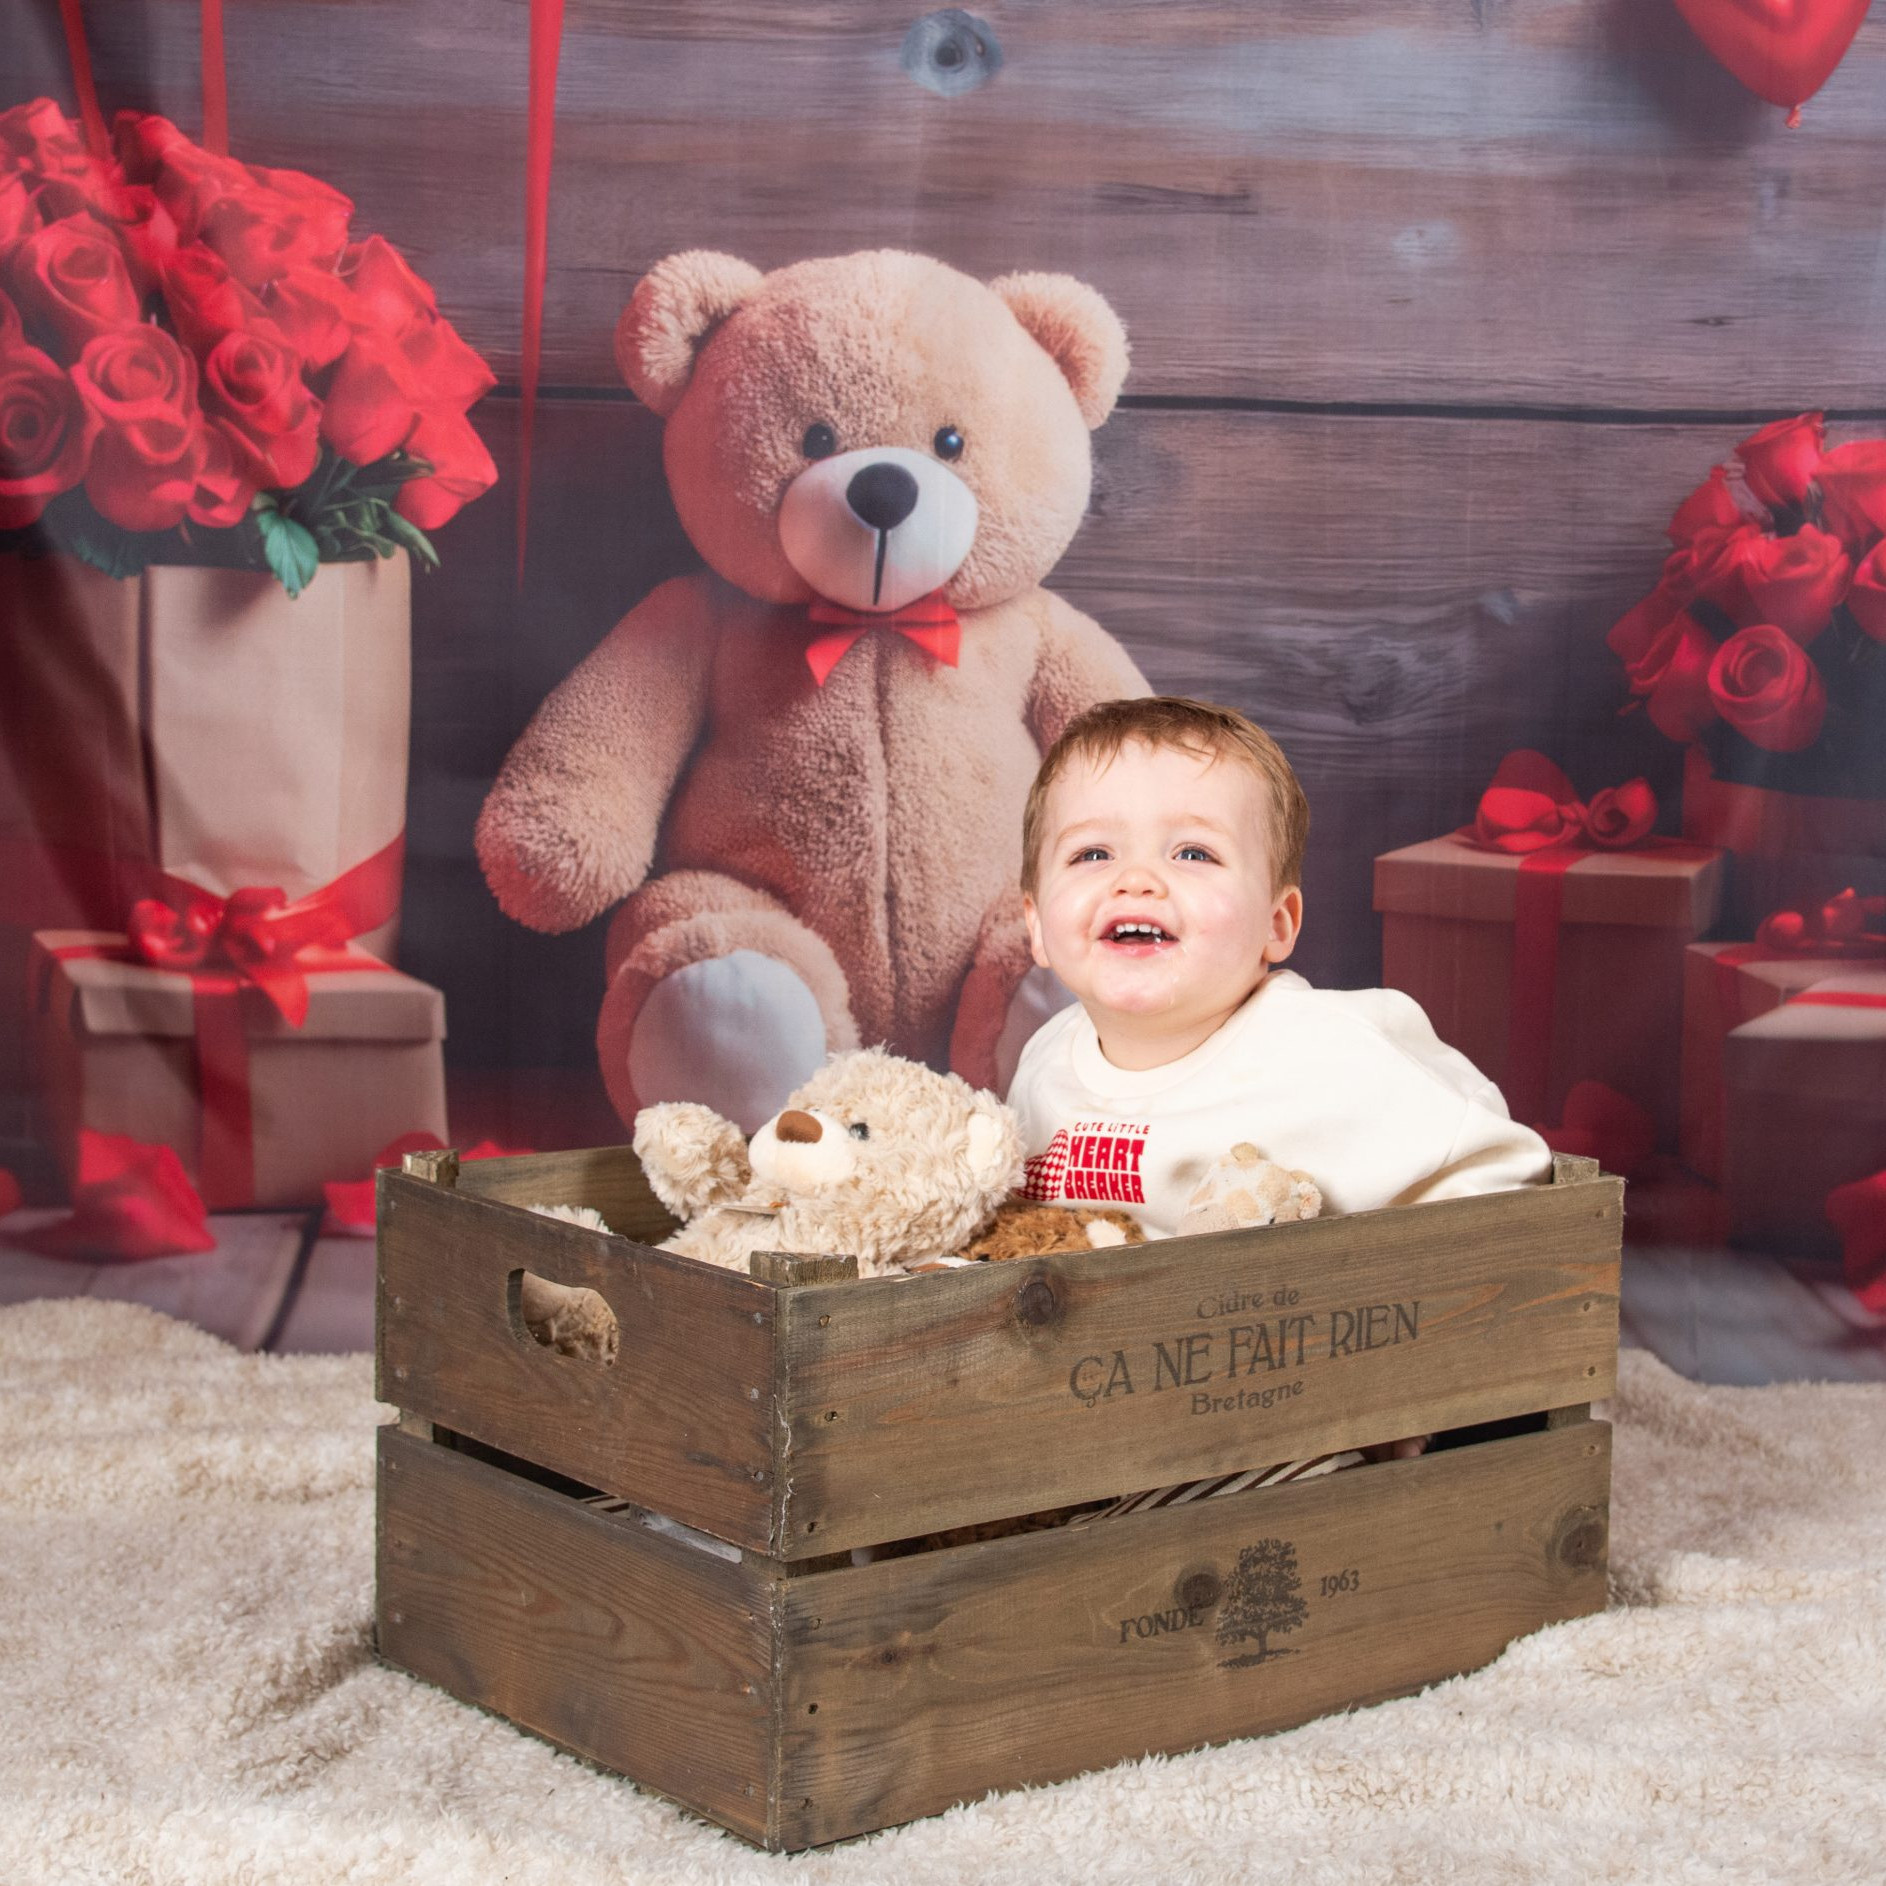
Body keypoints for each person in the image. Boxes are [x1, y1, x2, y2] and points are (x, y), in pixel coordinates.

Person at [1009, 696, 1553, 1464]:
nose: (1137, 881)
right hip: (1102, 1417)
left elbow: (1509, 1174)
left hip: (1284, 1417)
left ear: (1277, 923)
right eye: (1092, 854)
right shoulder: (1044, 1060)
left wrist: (1395, 1363)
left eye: (1192, 853)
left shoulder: (1326, 1050)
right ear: (1036, 924)